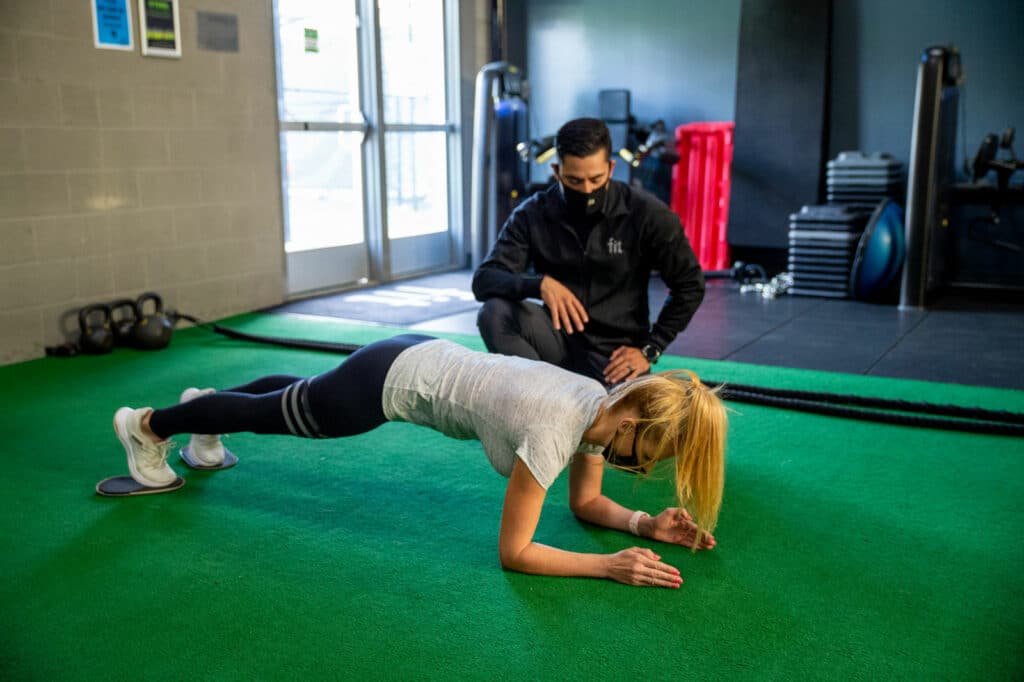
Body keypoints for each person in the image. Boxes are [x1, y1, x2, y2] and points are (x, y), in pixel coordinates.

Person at [112, 334, 727, 588]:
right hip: (389, 383)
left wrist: (644, 525)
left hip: (420, 354)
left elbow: (587, 503)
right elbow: (516, 554)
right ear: (630, 416)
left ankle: (204, 412)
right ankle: (149, 426)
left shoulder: (600, 407)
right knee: (291, 412)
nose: (639, 470)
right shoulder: (557, 429)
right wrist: (607, 566)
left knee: (297, 395)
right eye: (644, 454)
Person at [473, 117, 705, 386]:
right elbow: (484, 280)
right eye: (574, 180)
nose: (587, 190)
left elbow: (690, 286)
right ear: (556, 171)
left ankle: (567, 400)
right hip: (556, 342)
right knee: (495, 314)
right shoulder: (533, 213)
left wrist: (651, 349)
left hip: (615, 359)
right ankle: (542, 399)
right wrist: (539, 285)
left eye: (596, 179)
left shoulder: (648, 214)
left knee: (610, 426)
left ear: (611, 167)